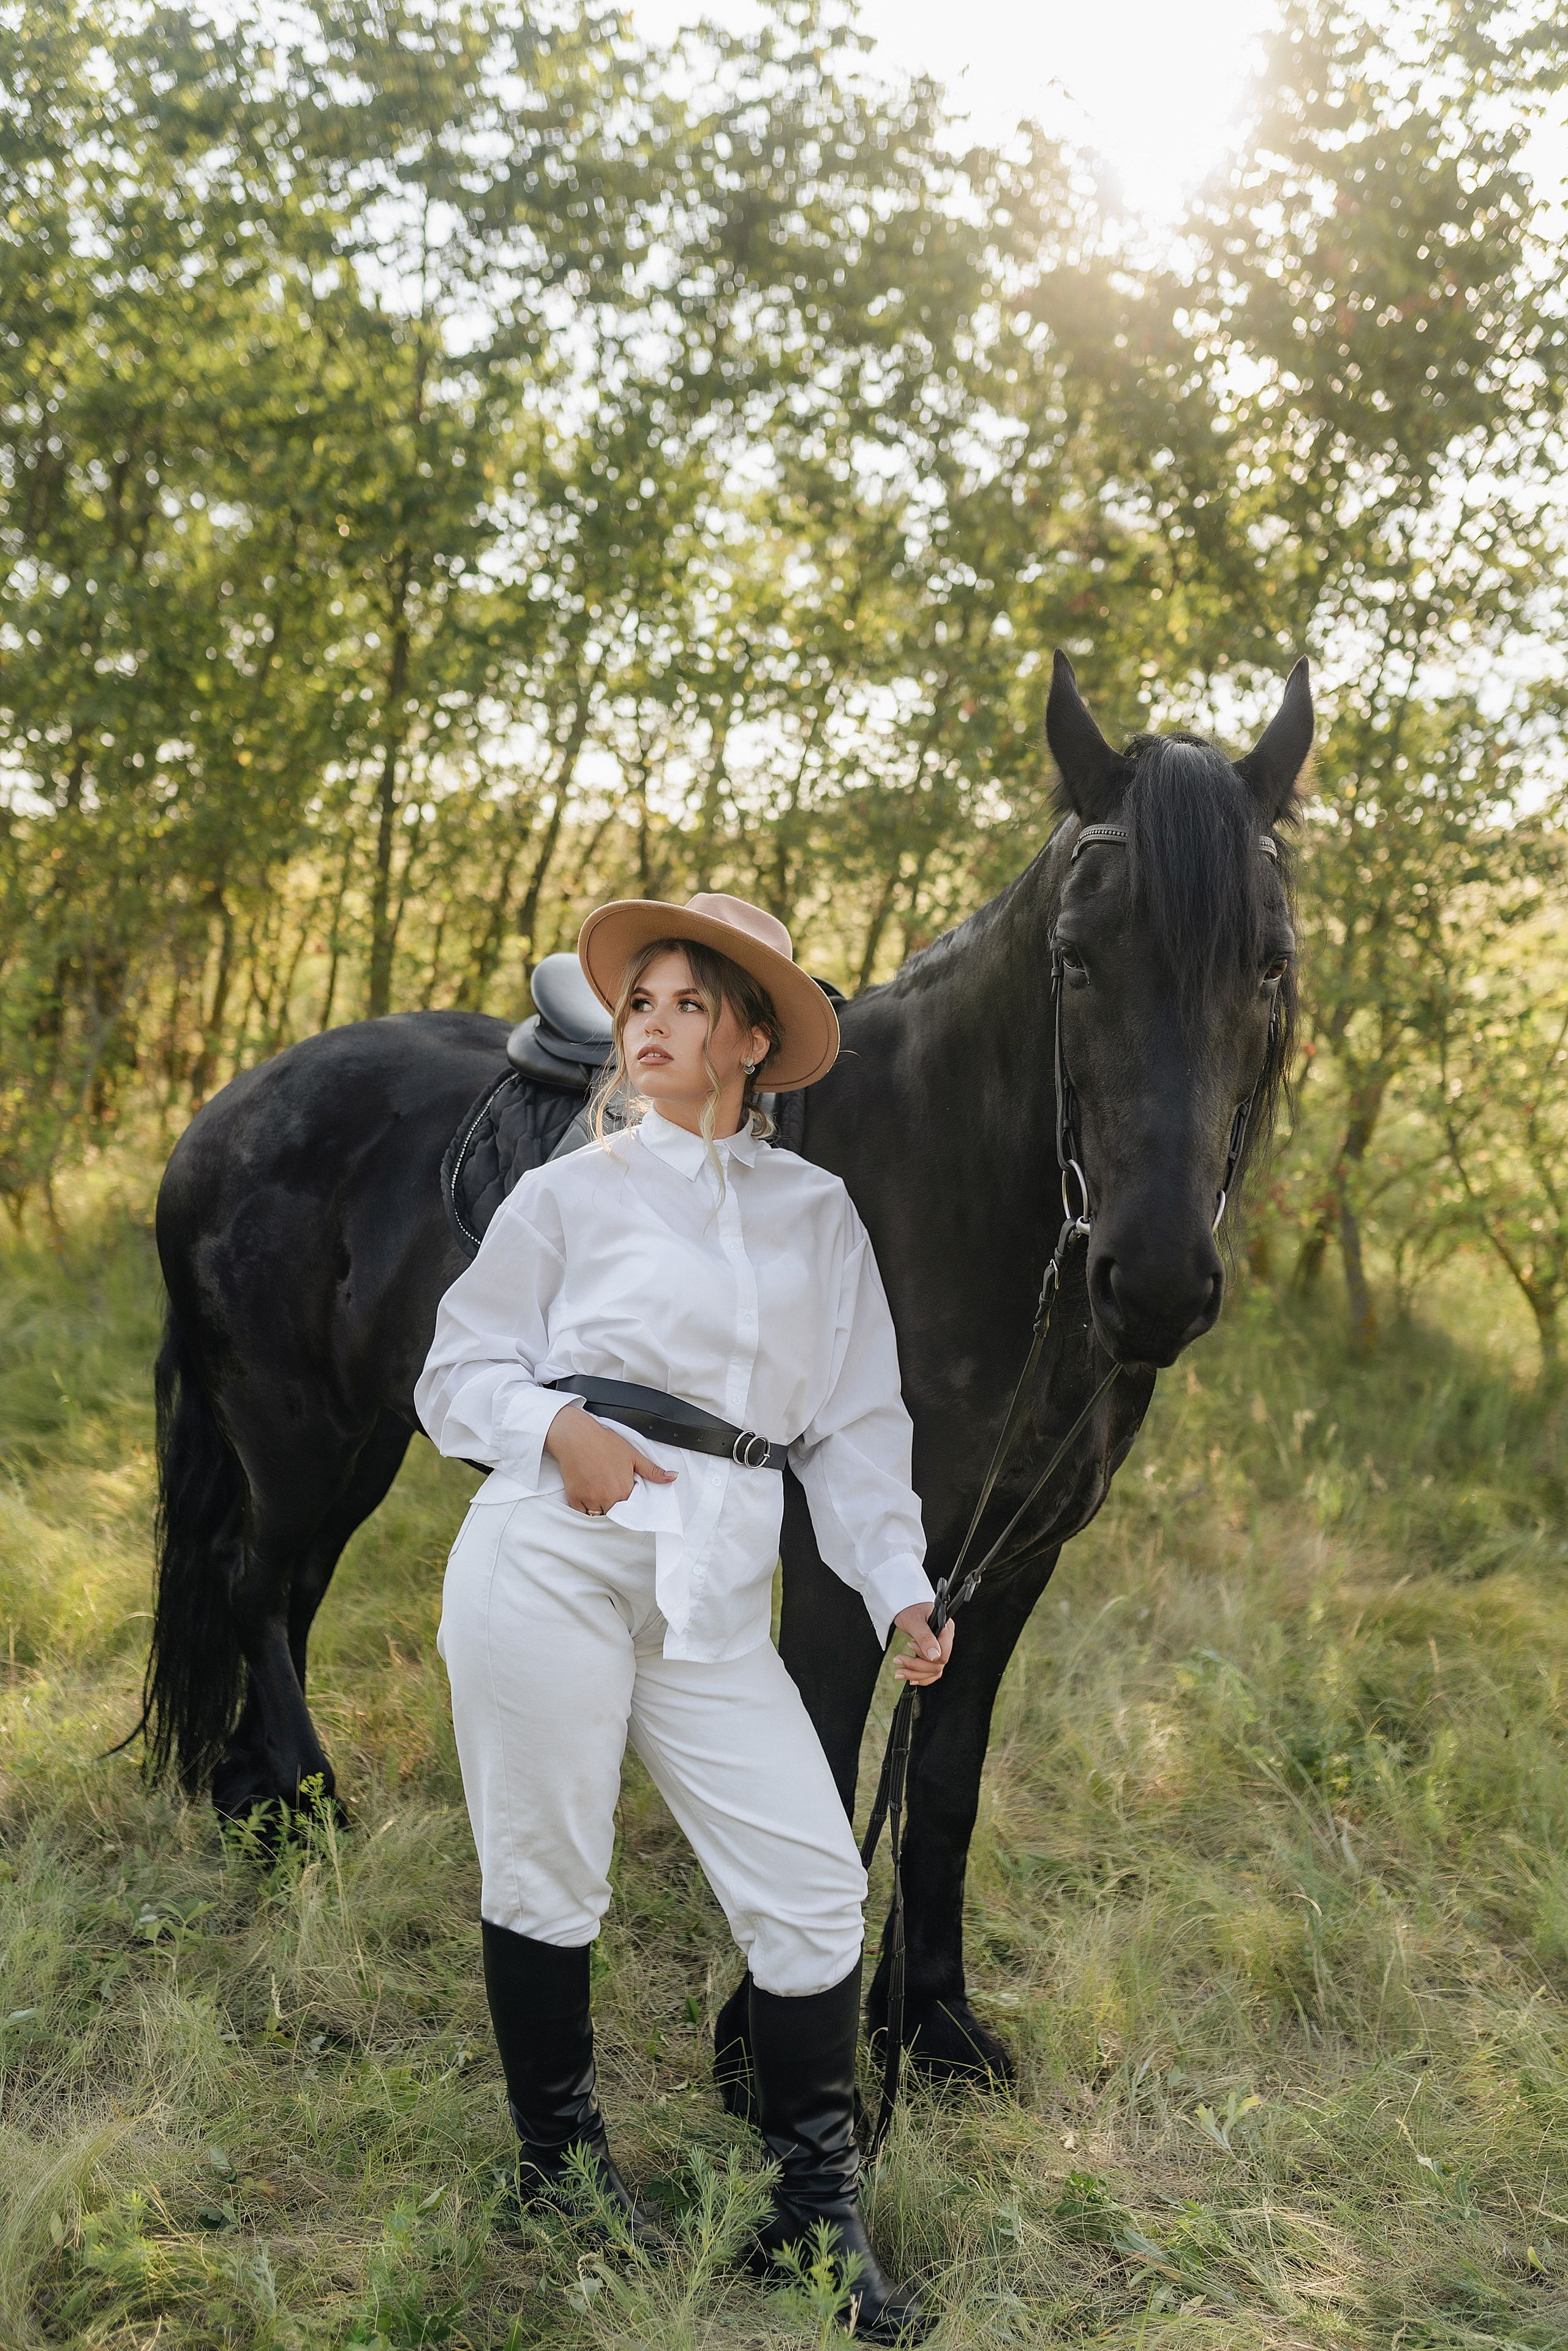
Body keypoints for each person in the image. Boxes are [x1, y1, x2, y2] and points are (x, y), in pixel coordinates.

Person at [416, 891, 953, 2344]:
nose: (644, 1026)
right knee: (549, 1872)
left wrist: (897, 1579)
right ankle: (557, 2166)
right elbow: (456, 1372)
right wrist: (550, 1431)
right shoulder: (571, 1192)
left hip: (715, 1588)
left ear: (749, 1038)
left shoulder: (814, 1210)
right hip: (553, 1554)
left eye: (680, 1003)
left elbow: (852, 1427)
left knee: (812, 1888)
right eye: (635, 1002)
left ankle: (809, 2208)